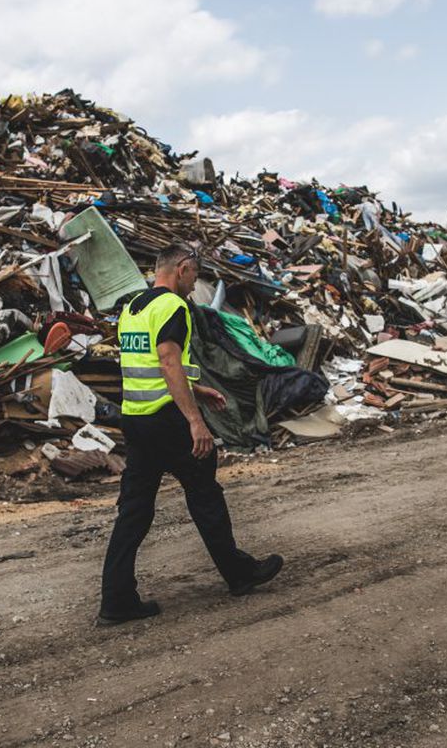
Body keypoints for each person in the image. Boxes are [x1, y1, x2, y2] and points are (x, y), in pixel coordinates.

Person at [98, 244, 283, 625]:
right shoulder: (173, 307)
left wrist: (197, 389)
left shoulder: (133, 308)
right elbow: (167, 360)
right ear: (181, 269)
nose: (195, 282)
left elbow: (147, 364)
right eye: (194, 274)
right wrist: (195, 420)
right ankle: (240, 574)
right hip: (168, 422)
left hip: (136, 420)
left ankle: (116, 600)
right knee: (205, 495)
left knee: (134, 512)